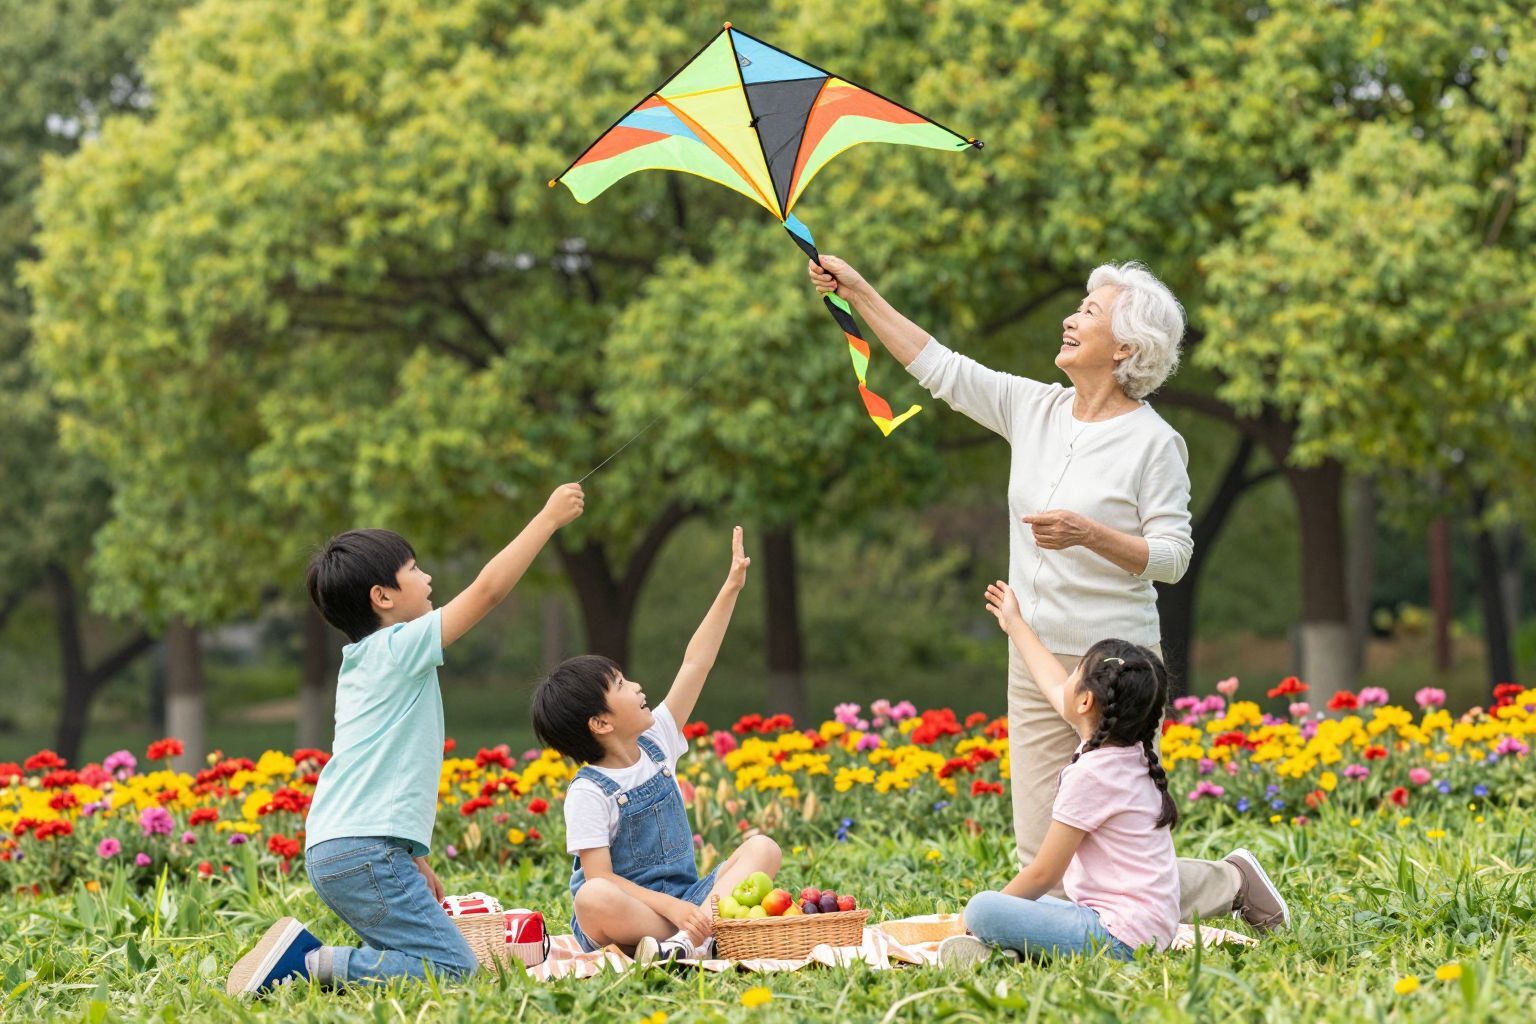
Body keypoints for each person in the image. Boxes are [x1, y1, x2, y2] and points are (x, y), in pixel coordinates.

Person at [808, 255, 1283, 931]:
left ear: (1125, 348)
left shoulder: (1155, 444)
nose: (1069, 318)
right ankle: (1217, 885)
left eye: (1088, 313)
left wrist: (1090, 534)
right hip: (1033, 654)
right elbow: (938, 366)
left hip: (1115, 669)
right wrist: (858, 292)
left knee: (1115, 844)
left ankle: (1218, 886)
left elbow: (1173, 558)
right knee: (1041, 849)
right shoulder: (1034, 408)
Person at [225, 483, 586, 996]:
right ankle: (313, 963)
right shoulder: (397, 645)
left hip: (345, 846)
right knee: (456, 971)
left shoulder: (365, 664)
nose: (429, 576)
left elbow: (378, 770)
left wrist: (414, 858)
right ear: (383, 597)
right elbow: (487, 592)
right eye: (415, 569)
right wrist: (547, 519)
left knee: (422, 961)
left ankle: (317, 964)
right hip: (363, 852)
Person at [940, 581, 1282, 967]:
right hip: (1143, 931)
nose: (1064, 682)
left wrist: (974, 920)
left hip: (1118, 938)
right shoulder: (1126, 752)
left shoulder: (1092, 775)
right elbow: (1055, 684)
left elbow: (1042, 873)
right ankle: (1002, 953)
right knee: (1036, 910)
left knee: (984, 907)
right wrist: (1015, 623)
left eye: (1075, 674)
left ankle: (990, 944)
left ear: (1085, 700)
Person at [531, 527, 780, 964]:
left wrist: (731, 588)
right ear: (601, 722)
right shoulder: (589, 791)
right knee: (592, 898)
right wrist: (673, 910)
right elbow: (600, 878)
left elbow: (696, 663)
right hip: (638, 913)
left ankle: (688, 942)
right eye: (622, 685)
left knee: (764, 848)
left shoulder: (657, 742)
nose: (639, 687)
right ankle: (700, 935)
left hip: (690, 901)